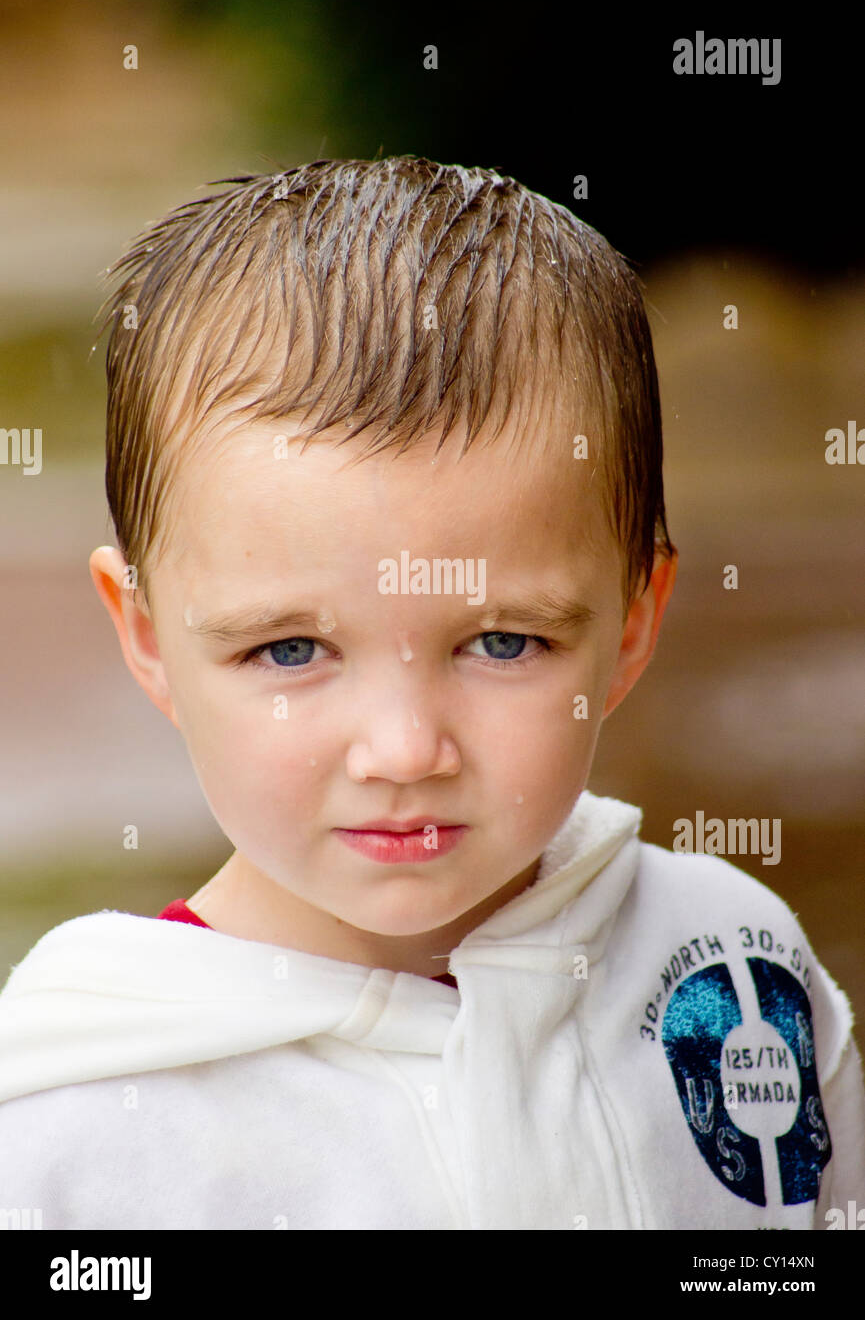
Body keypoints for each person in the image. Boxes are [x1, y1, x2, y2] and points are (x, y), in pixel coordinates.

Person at [0, 157, 862, 1229]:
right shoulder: (69, 1120)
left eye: (501, 641)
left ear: (635, 619)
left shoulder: (731, 973)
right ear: (144, 631)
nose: (405, 751)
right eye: (289, 651)